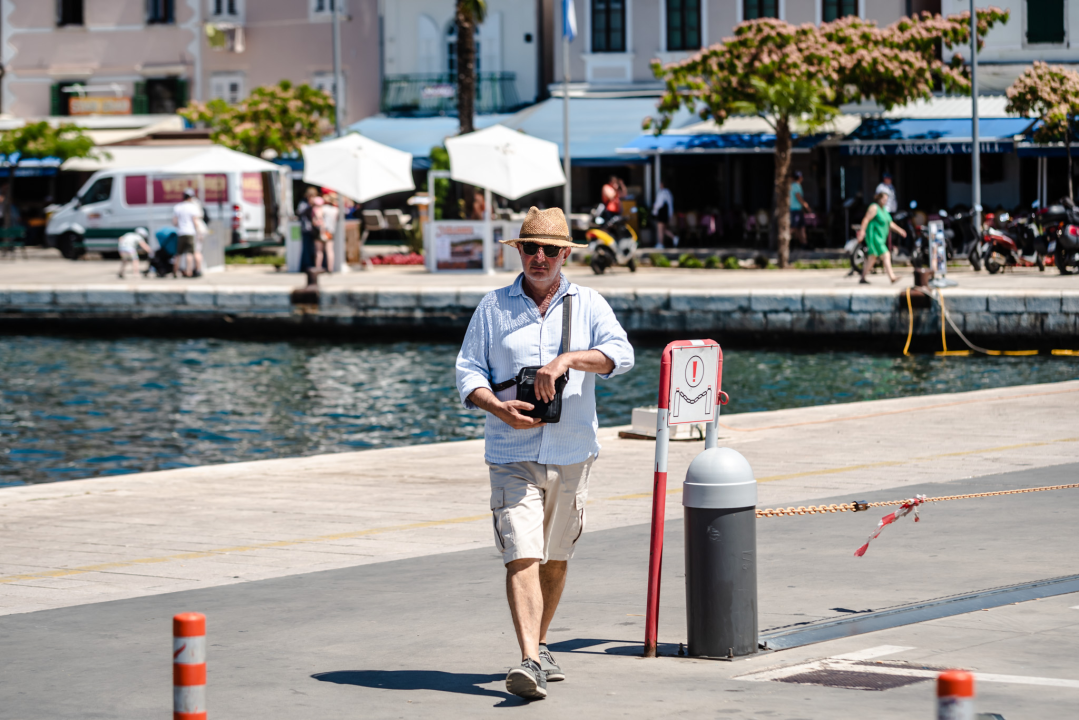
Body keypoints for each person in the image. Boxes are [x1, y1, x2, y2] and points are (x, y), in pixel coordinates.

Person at [455, 206, 634, 701]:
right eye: (530, 248)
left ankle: (542, 643)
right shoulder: (493, 307)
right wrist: (498, 407)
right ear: (519, 252)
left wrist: (566, 361)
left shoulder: (590, 303)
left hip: (573, 451)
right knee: (522, 553)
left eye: (549, 250)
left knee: (555, 557)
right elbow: (468, 372)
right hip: (511, 449)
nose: (539, 258)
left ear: (564, 255)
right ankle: (530, 661)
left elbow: (622, 355)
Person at [857, 191, 906, 284]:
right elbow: (866, 219)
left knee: (872, 258)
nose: (885, 201)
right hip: (874, 237)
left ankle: (862, 278)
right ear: (879, 198)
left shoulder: (884, 210)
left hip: (881, 238)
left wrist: (900, 230)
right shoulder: (874, 207)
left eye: (886, 200)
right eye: (884, 199)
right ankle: (892, 277)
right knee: (886, 254)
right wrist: (862, 231)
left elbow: (890, 223)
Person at [172, 189, 201, 278]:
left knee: (178, 253)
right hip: (190, 232)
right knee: (189, 253)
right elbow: (195, 221)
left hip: (181, 232)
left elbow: (174, 222)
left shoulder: (177, 207)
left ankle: (175, 272)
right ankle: (189, 272)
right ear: (191, 197)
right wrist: (198, 232)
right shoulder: (193, 207)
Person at [297, 187, 320, 271]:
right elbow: (300, 212)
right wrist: (309, 206)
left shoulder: (316, 204)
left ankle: (313, 265)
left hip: (315, 229)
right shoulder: (303, 203)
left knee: (314, 248)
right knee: (306, 248)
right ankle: (306, 266)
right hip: (306, 229)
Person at [316, 190, 337, 273]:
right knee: (330, 250)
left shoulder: (322, 209)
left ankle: (318, 268)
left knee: (319, 251)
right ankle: (330, 269)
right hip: (331, 231)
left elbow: (318, 218)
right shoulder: (336, 210)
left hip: (323, 231)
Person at [790, 171, 812, 247]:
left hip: (798, 209)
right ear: (800, 177)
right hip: (795, 209)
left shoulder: (793, 185)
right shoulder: (796, 185)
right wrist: (805, 205)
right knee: (794, 227)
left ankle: (804, 243)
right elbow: (798, 196)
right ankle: (783, 241)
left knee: (802, 227)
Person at [652, 181, 676, 249]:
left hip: (662, 213)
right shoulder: (668, 193)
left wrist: (654, 208)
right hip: (666, 214)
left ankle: (660, 243)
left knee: (660, 229)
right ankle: (674, 237)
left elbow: (659, 204)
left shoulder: (662, 193)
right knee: (663, 229)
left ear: (662, 185)